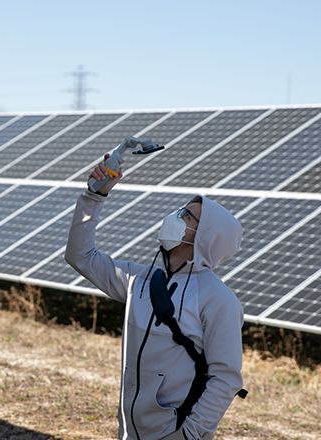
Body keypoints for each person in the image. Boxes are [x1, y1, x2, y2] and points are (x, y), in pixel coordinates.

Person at [65, 154, 245, 440]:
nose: (175, 217)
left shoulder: (218, 300)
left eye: (187, 216)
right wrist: (93, 195)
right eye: (181, 211)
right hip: (129, 432)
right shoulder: (140, 279)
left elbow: (226, 378)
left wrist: (189, 435)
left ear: (206, 237)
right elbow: (80, 256)